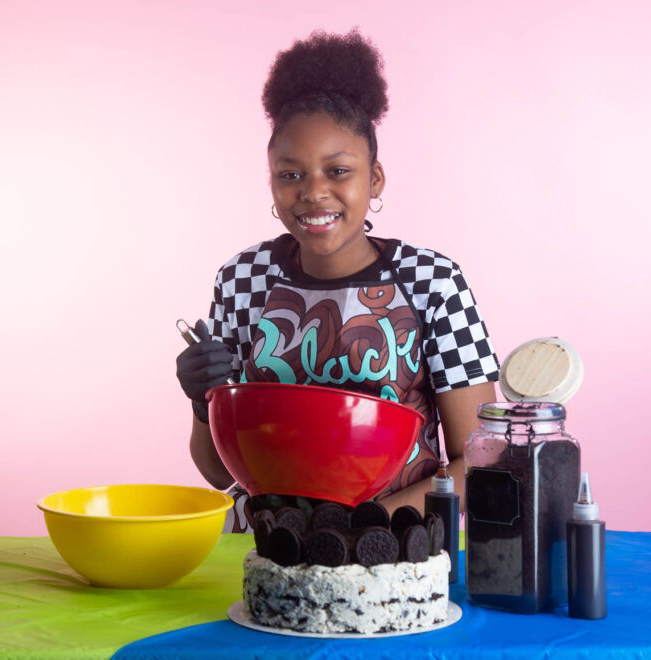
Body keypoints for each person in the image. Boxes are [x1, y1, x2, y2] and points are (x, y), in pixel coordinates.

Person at [176, 30, 499, 532]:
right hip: (261, 547)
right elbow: (220, 472)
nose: (313, 193)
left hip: (388, 545)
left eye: (338, 170)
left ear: (375, 180)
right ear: (271, 183)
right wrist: (203, 401)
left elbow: (481, 457)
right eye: (291, 175)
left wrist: (359, 529)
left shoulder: (431, 282)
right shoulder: (243, 280)